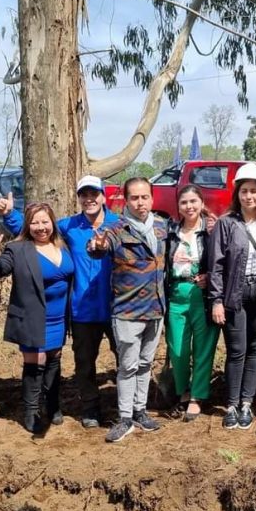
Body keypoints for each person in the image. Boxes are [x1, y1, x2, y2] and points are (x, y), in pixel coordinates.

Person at [0, 175, 119, 428]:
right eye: (83, 194)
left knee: (126, 361)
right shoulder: (69, 226)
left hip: (117, 307)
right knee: (84, 363)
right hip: (82, 309)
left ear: (104, 196)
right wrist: (10, 215)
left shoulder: (119, 224)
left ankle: (128, 408)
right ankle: (90, 409)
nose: (89, 199)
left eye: (94, 194)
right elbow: (38, 227)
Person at [88, 177, 168, 443]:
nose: (140, 202)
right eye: (134, 197)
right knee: (128, 366)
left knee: (146, 364)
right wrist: (96, 246)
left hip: (156, 309)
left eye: (145, 197)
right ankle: (124, 418)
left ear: (152, 198)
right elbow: (99, 248)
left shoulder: (161, 226)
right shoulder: (115, 229)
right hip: (128, 311)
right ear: (126, 200)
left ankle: (140, 411)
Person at [0, 203, 75, 433]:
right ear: (27, 225)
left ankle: (53, 405)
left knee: (54, 359)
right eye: (34, 222)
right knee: (36, 363)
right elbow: (1, 268)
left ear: (52, 222)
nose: (40, 227)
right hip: (32, 316)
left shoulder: (63, 245)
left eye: (45, 221)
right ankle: (31, 410)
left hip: (59, 317)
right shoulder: (19, 248)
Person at [209, 164, 256, 430]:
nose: (249, 196)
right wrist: (216, 300)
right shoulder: (227, 224)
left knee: (254, 350)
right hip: (234, 294)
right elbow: (215, 264)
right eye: (244, 191)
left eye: (254, 191)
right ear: (237, 193)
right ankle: (231, 404)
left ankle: (247, 403)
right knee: (236, 351)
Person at [164, 185, 219, 421]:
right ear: (178, 206)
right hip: (177, 292)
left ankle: (197, 396)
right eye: (184, 202)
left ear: (201, 203)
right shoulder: (169, 232)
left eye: (194, 201)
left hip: (202, 295)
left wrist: (210, 277)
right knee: (178, 348)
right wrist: (170, 258)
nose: (189, 206)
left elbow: (221, 261)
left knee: (203, 348)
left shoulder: (211, 232)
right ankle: (182, 390)